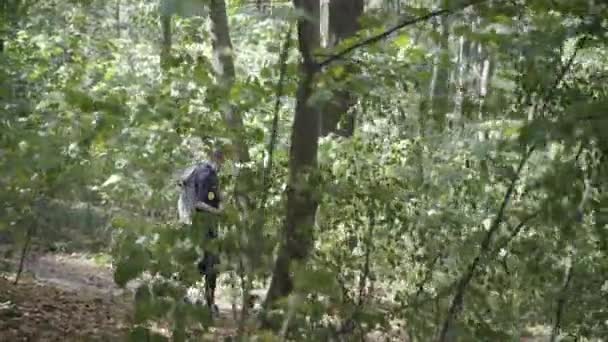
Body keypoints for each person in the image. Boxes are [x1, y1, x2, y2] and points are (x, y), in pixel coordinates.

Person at [177, 148, 225, 316]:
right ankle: (209, 305)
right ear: (218, 158)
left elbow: (210, 197)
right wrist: (220, 213)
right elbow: (200, 203)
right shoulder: (207, 174)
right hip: (202, 225)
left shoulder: (201, 171)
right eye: (223, 159)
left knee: (201, 262)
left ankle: (184, 296)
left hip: (195, 224)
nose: (223, 164)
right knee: (210, 263)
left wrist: (219, 199)